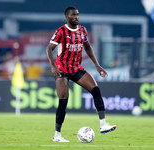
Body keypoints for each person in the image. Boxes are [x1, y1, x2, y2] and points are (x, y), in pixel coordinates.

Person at [46, 6, 117, 142]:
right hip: (62, 70)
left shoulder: (82, 31)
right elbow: (49, 49)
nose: (76, 17)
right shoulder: (60, 31)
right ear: (67, 17)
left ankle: (103, 125)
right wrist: (53, 67)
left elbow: (88, 47)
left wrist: (97, 65)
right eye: (73, 15)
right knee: (63, 100)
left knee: (96, 90)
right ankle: (57, 135)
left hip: (77, 69)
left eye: (77, 15)